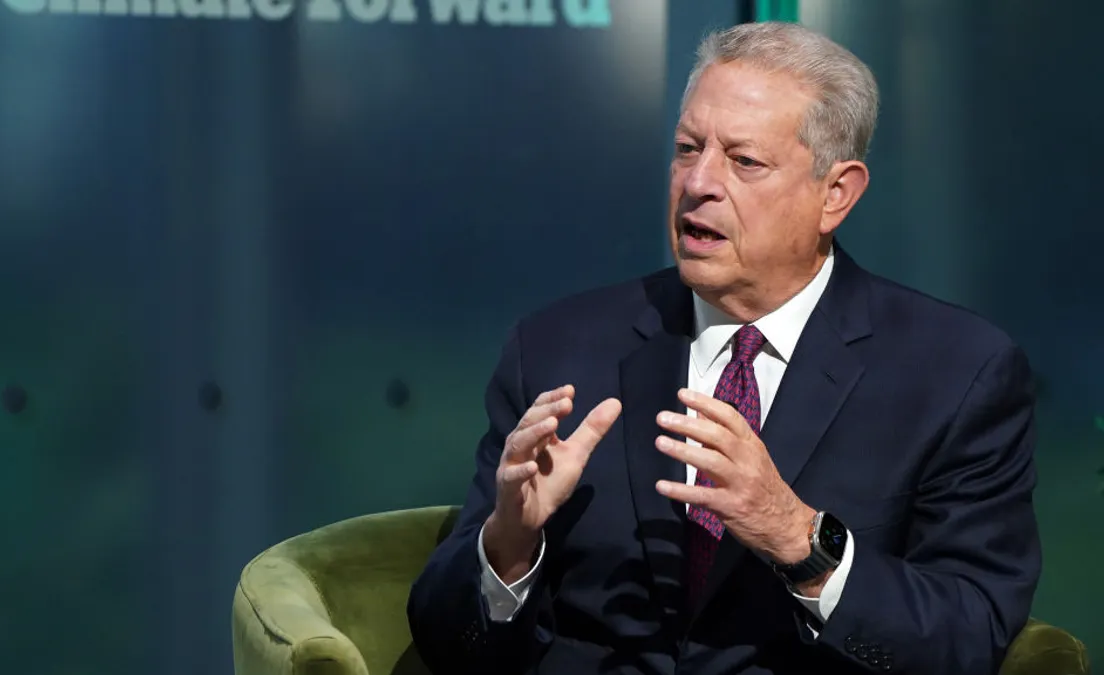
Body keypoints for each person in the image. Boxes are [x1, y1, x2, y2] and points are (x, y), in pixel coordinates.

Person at [407, 20, 1040, 675]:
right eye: (687, 149)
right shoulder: (556, 349)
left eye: (744, 161)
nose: (699, 182)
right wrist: (509, 545)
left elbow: (968, 639)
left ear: (836, 194)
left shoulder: (957, 372)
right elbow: (448, 642)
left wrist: (801, 539)